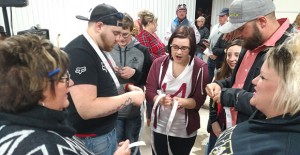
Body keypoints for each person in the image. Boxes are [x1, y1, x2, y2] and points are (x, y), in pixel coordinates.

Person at [0, 34, 131, 155]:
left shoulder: (11, 128)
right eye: (63, 78)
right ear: (39, 87)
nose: (71, 83)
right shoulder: (45, 148)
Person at [64, 4, 145, 155]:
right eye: (115, 33)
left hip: (103, 133)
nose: (118, 39)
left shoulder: (98, 49)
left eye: (122, 34)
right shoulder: (81, 53)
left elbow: (101, 86)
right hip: (92, 139)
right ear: (100, 26)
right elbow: (87, 108)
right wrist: (130, 97)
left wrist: (127, 87)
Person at [205, 0, 295, 126]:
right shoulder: (253, 41)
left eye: (241, 29)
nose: (237, 35)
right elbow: (242, 80)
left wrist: (231, 96)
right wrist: (221, 84)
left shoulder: (292, 49)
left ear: (262, 22)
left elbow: (280, 105)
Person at [210, 33, 300, 155]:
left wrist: (232, 96)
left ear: (288, 90)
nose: (254, 81)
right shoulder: (264, 118)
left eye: (262, 77)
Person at [146, 26, 210, 155]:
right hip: (160, 127)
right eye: (175, 47)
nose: (178, 52)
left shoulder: (200, 68)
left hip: (184, 129)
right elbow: (149, 91)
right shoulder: (159, 64)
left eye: (184, 48)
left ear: (191, 48)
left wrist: (182, 102)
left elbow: (199, 101)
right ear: (169, 45)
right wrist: (159, 99)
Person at [110, 13, 152, 155]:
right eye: (118, 34)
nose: (121, 39)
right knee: (116, 147)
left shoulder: (142, 51)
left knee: (133, 145)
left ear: (132, 31)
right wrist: (112, 72)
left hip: (134, 110)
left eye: (125, 35)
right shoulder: (108, 49)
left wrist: (135, 73)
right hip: (113, 110)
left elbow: (149, 79)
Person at [206, 39, 243, 154]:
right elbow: (213, 100)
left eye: (237, 55)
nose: (232, 59)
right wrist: (213, 121)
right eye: (229, 55)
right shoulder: (220, 74)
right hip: (219, 123)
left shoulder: (249, 77)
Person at [203, 8, 229, 80]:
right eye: (219, 16)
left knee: (219, 77)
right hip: (211, 55)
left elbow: (227, 47)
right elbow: (211, 39)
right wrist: (207, 43)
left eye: (222, 16)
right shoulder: (215, 26)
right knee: (208, 76)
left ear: (228, 17)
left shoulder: (229, 30)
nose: (220, 18)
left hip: (220, 58)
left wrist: (217, 54)